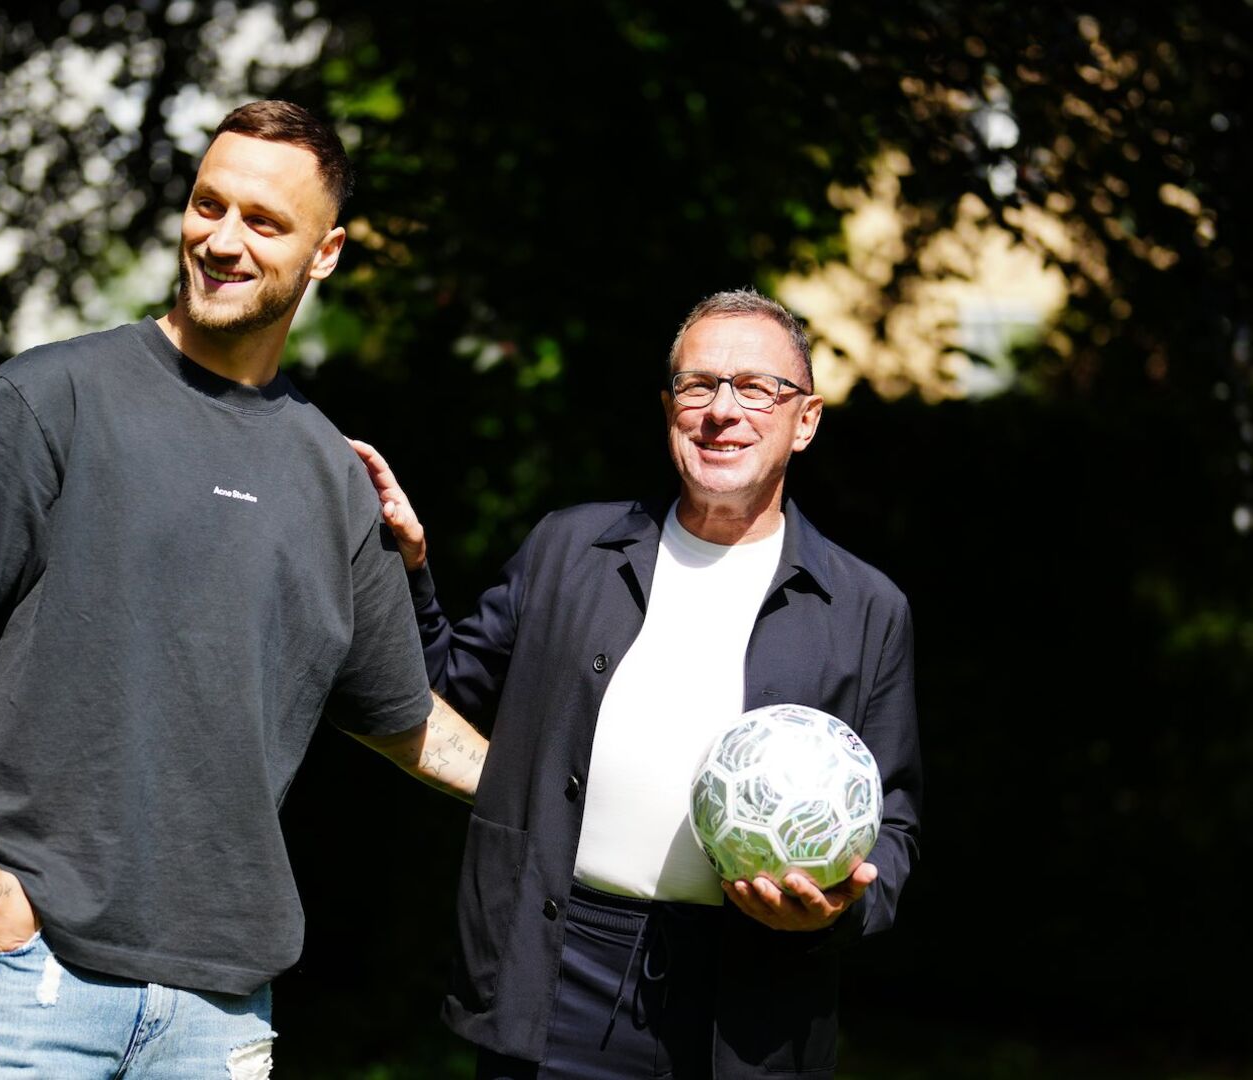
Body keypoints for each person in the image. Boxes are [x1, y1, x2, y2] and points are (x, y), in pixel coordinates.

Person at [0, 99, 487, 1079]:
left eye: (263, 222)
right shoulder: (53, 396)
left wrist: (551, 800)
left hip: (219, 1005)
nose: (222, 240)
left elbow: (398, 716)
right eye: (209, 205)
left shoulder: (333, 474)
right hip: (25, 978)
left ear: (323, 254)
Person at [351, 288, 922, 1078]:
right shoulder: (568, 549)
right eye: (698, 386)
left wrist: (835, 911)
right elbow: (439, 685)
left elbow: (892, 828)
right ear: (668, 408)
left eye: (756, 388)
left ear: (806, 421)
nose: (723, 411)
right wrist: (401, 569)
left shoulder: (864, 608)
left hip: (752, 1017)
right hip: (556, 982)